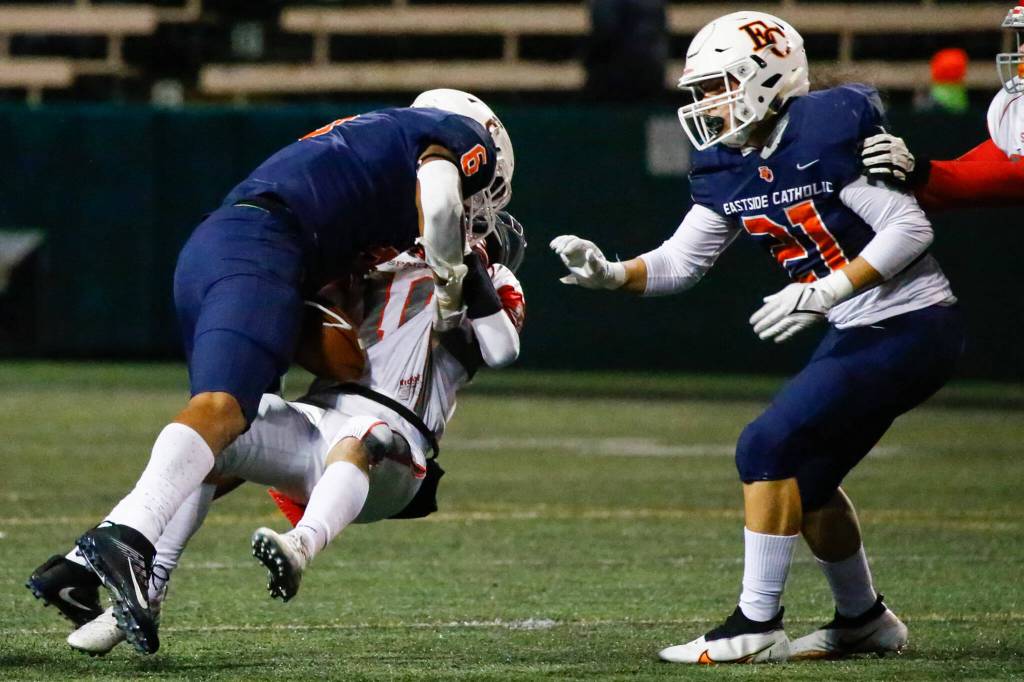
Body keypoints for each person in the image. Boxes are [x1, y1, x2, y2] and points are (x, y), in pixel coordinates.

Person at [28, 89, 514, 655]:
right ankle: (127, 541)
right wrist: (451, 276)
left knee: (226, 427)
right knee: (222, 410)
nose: (482, 207)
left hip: (228, 243)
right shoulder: (451, 135)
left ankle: (85, 566)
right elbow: (438, 206)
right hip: (266, 244)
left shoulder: (368, 169)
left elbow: (355, 353)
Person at [552, 10, 964, 664]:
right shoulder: (727, 161)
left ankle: (756, 623)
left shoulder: (827, 129)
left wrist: (828, 289)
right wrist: (612, 274)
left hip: (913, 320)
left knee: (765, 445)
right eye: (700, 92)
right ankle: (864, 620)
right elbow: (681, 261)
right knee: (809, 481)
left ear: (767, 78)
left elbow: (910, 230)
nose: (706, 105)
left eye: (717, 86)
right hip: (868, 325)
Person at [862, 2, 1024, 209]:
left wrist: (920, 171)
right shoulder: (1015, 107)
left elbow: (1015, 179)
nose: (1021, 49)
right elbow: (969, 172)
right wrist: (903, 176)